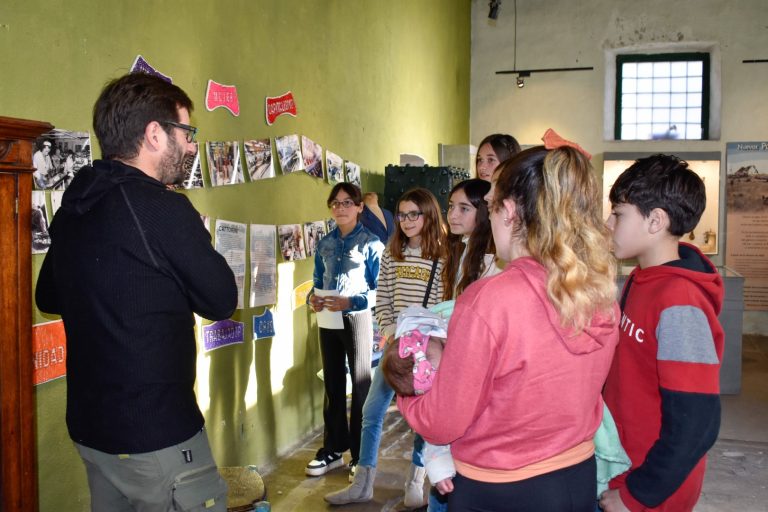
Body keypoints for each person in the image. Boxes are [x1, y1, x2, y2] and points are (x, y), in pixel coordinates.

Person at [35, 72, 238, 512]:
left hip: (94, 434)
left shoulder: (77, 205)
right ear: (154, 134)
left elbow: (48, 295)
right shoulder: (162, 208)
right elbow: (222, 300)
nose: (191, 146)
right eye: (186, 133)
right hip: (157, 437)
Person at [398, 137, 620, 511]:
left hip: (500, 488)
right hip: (577, 476)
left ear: (511, 211)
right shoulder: (599, 293)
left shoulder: (489, 301)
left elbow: (441, 422)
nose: (488, 215)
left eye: (490, 206)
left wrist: (405, 384)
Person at [600, 155, 724, 512]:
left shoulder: (679, 301)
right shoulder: (642, 279)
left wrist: (638, 494)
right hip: (624, 463)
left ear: (655, 220)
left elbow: (697, 421)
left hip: (650, 487)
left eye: (618, 214)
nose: (608, 224)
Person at [325, 187, 447, 508]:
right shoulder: (393, 253)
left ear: (428, 215)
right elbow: (383, 300)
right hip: (395, 345)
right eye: (402, 214)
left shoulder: (443, 256)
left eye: (414, 214)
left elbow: (441, 305)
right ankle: (363, 482)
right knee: (371, 410)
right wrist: (393, 333)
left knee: (422, 418)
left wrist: (424, 342)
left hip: (427, 349)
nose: (406, 221)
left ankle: (415, 481)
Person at [305, 183, 384, 478]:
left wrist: (351, 301)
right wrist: (312, 298)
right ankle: (334, 449)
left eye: (347, 202)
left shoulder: (371, 244)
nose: (341, 208)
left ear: (360, 207)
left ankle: (360, 456)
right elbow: (317, 280)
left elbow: (380, 290)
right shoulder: (324, 243)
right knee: (333, 383)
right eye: (336, 203)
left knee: (361, 385)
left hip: (357, 318)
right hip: (328, 318)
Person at [442, 178, 502, 300]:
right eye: (451, 206)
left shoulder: (492, 257)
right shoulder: (461, 245)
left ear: (484, 211)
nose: (452, 215)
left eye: (464, 208)